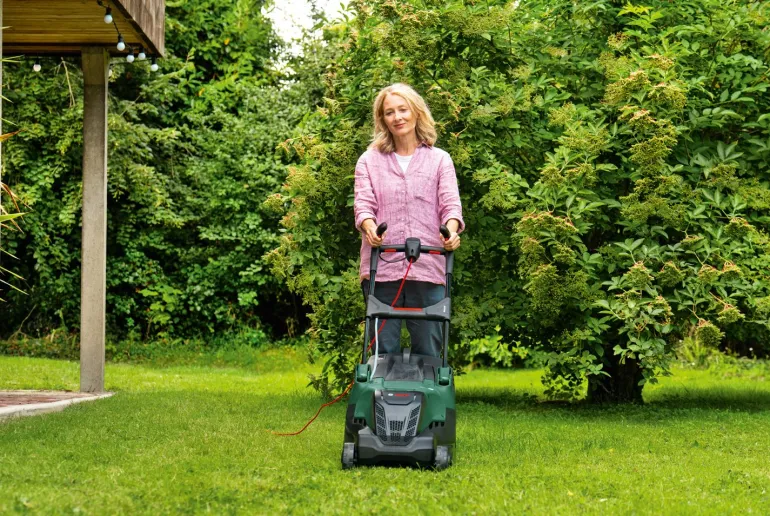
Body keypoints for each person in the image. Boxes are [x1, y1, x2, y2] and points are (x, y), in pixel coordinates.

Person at [354, 83, 464, 357]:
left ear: (416, 112)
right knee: (383, 349)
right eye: (389, 112)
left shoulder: (440, 160)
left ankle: (429, 386)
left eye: (403, 110)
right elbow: (364, 206)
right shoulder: (368, 161)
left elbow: (451, 207)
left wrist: (451, 233)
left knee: (429, 348)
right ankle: (380, 386)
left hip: (428, 265)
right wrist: (370, 229)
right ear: (382, 119)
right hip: (382, 267)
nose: (397, 117)